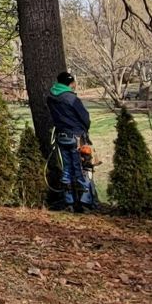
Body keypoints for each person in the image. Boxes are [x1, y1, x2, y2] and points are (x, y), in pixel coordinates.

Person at [46, 71, 97, 212]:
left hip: (61, 136)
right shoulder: (71, 98)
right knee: (81, 168)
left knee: (67, 168)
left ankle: (69, 201)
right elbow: (85, 117)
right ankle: (85, 203)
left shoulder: (51, 97)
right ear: (70, 83)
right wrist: (84, 129)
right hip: (76, 137)